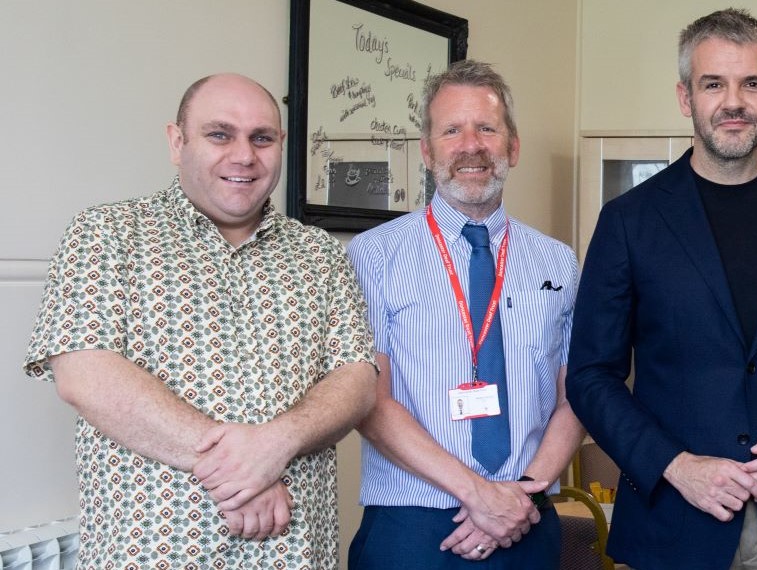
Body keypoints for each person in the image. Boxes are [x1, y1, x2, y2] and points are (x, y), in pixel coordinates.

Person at [22, 73, 377, 569]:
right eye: (219, 134)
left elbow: (357, 380)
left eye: (261, 138)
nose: (243, 155)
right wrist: (241, 470)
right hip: (151, 553)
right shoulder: (107, 234)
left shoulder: (320, 253)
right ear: (177, 141)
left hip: (295, 552)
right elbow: (84, 374)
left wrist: (274, 445)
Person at [567, 8, 757, 570]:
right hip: (674, 521)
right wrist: (674, 465)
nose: (734, 102)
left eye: (751, 83)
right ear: (685, 97)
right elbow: (591, 376)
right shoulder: (629, 221)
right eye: (713, 84)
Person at [346, 60, 582, 568]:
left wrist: (519, 497)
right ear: (427, 151)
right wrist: (478, 495)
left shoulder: (559, 263)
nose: (471, 145)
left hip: (528, 520)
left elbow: (577, 396)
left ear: (513, 147)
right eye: (452, 130)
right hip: (413, 526)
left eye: (487, 129)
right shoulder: (372, 256)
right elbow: (369, 402)